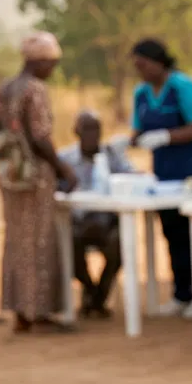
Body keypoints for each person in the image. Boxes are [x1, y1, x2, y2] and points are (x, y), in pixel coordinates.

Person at [0, 32, 77, 333]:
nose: (53, 69)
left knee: (16, 242)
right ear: (39, 61)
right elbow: (40, 137)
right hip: (35, 177)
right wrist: (64, 169)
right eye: (51, 63)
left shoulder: (7, 88)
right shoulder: (35, 90)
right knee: (39, 242)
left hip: (11, 175)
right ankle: (39, 312)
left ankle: (20, 313)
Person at [128, 38, 192, 317]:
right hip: (164, 172)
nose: (140, 71)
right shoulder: (141, 93)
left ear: (157, 62)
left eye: (143, 65)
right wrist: (129, 141)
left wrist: (167, 136)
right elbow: (138, 130)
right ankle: (182, 294)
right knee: (172, 232)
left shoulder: (182, 86)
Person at [58, 111, 134, 318]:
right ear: (76, 132)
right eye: (87, 129)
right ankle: (90, 289)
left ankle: (99, 295)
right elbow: (56, 190)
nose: (92, 135)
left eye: (96, 129)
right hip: (78, 223)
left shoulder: (110, 155)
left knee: (120, 243)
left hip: (106, 222)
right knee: (67, 243)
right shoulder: (64, 159)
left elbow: (132, 178)